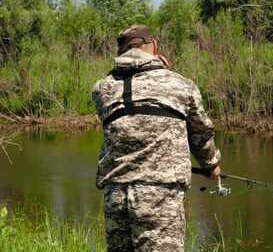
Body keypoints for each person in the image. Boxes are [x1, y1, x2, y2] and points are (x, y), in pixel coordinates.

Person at [92, 24, 222, 252]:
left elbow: (130, 114)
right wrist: (211, 165)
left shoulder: (101, 89)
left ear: (121, 53)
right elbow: (201, 133)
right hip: (159, 196)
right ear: (154, 46)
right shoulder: (180, 84)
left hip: (116, 195)